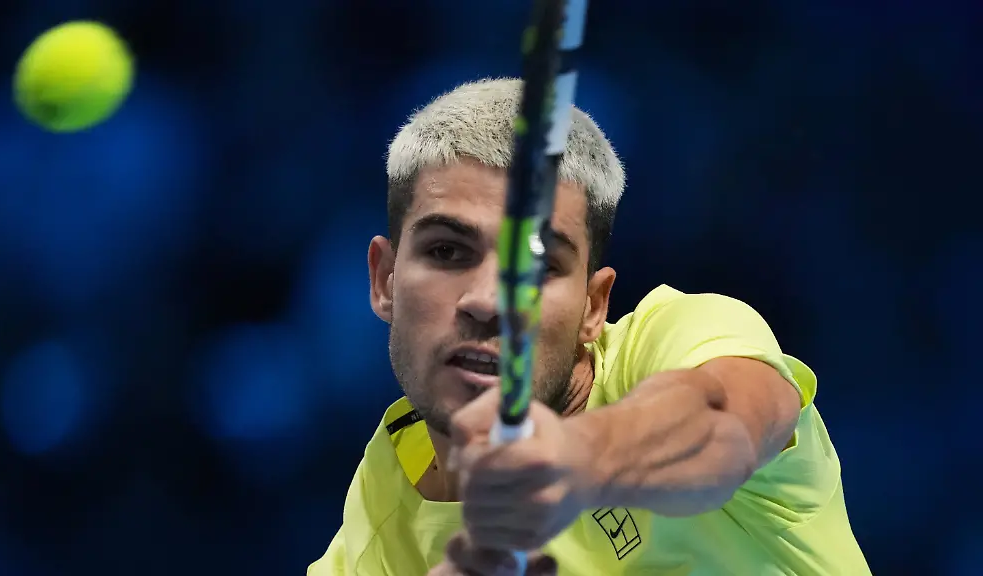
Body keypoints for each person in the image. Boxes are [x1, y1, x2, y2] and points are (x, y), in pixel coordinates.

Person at [308, 78, 870, 575]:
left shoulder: (678, 337)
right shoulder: (382, 516)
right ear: (384, 280)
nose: (486, 301)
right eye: (448, 250)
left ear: (594, 306)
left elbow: (726, 423)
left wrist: (578, 460)